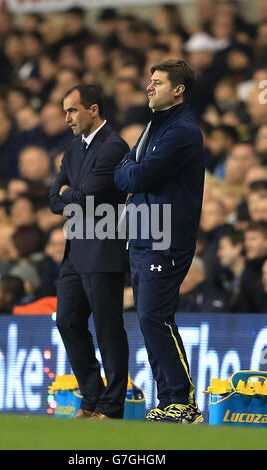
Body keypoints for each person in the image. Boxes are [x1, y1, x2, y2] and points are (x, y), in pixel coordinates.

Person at [114, 59, 205, 423]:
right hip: (143, 234)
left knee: (155, 316)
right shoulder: (156, 125)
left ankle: (184, 402)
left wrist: (130, 174)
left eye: (157, 82)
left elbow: (142, 173)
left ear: (178, 89)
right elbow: (125, 166)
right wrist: (130, 174)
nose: (148, 87)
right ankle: (169, 400)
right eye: (149, 81)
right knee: (149, 318)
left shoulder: (182, 130)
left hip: (166, 238)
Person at [49, 84, 129, 420]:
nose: (66, 117)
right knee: (67, 321)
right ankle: (92, 397)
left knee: (108, 328)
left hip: (103, 249)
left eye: (72, 110)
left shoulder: (113, 146)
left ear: (93, 110)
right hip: (74, 251)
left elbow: (86, 198)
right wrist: (71, 194)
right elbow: (56, 200)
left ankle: (112, 406)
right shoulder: (72, 148)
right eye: (65, 111)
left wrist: (71, 194)